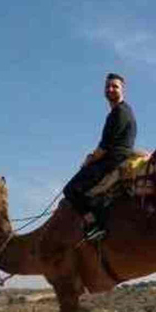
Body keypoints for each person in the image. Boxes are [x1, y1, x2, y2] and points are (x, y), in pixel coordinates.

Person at [63, 73, 138, 240]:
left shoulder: (119, 112)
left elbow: (103, 148)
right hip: (116, 157)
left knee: (71, 190)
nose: (110, 89)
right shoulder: (123, 111)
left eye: (115, 86)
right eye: (107, 86)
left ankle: (94, 225)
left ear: (122, 89)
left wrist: (89, 160)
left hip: (113, 159)